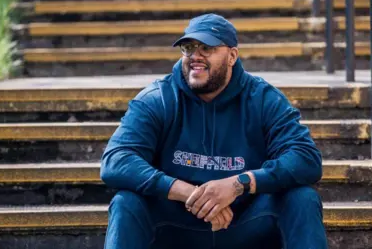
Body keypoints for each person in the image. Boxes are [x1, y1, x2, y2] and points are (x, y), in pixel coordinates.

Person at [100, 13, 328, 249]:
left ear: (232, 56)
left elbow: (306, 158)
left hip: (245, 224)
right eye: (189, 47)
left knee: (302, 198)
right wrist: (188, 193)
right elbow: (116, 160)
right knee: (126, 202)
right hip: (175, 226)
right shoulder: (159, 99)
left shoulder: (263, 99)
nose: (195, 56)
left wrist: (239, 184)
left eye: (207, 48)